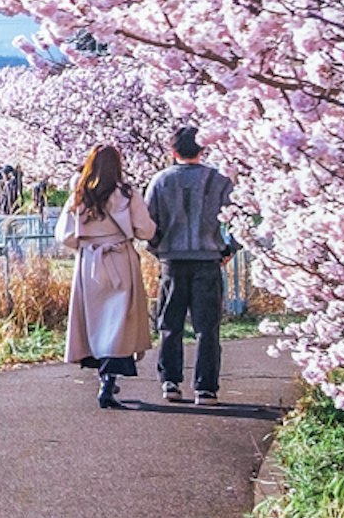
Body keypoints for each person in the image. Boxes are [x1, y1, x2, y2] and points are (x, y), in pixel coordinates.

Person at [58, 142, 154, 408]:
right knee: (119, 323)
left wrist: (87, 243)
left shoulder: (79, 193)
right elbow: (145, 229)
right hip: (120, 258)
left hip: (89, 260)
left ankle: (102, 375)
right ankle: (108, 382)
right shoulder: (127, 193)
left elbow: (65, 235)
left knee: (94, 321)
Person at [145, 127, 234, 407]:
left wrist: (158, 249)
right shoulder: (220, 180)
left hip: (172, 260)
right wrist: (228, 250)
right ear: (202, 149)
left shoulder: (160, 181)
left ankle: (171, 383)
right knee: (207, 327)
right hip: (208, 260)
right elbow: (239, 219)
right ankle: (206, 389)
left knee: (170, 324)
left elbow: (149, 224)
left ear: (174, 152)